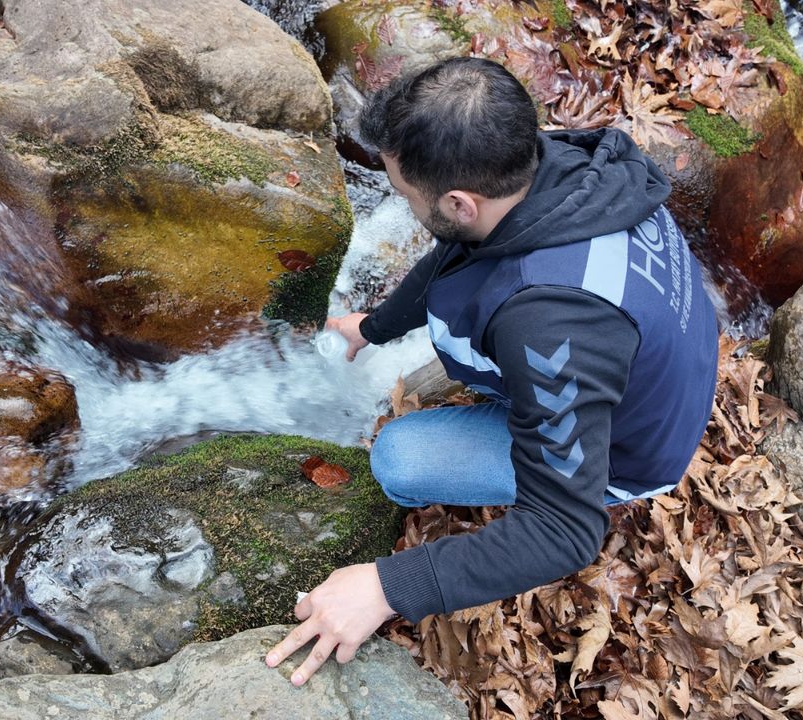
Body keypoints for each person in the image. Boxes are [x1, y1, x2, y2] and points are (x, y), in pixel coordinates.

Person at [264, 56, 719, 686]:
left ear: (458, 200)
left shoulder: (549, 326)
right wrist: (374, 327)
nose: (404, 201)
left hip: (630, 448)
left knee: (400, 456)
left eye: (404, 192)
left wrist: (387, 586)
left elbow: (563, 530)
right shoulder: (553, 168)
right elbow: (458, 252)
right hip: (651, 362)